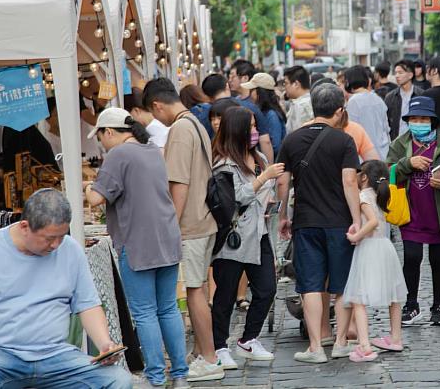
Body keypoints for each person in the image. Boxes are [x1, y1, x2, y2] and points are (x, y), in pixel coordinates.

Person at [0, 189, 131, 389]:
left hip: (57, 356)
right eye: (49, 238)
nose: (56, 245)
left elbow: (88, 305)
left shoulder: (71, 250)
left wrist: (105, 343)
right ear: (25, 226)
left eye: (62, 236)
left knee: (118, 380)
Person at [84, 108, 200, 386]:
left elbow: (97, 199)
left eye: (100, 136)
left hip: (137, 243)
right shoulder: (151, 149)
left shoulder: (118, 155)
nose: (101, 142)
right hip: (167, 238)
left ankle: (156, 377)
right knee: (168, 309)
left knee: (145, 313)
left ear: (109, 132)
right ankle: (181, 375)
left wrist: (88, 186)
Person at [142, 78, 223, 381]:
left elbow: (179, 183)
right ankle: (204, 352)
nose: (156, 120)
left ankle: (211, 359)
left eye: (153, 114)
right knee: (197, 289)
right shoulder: (195, 123)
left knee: (194, 292)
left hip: (190, 223)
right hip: (203, 219)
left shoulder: (179, 129)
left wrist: (170, 225)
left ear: (157, 105)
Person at [275, 84, 361, 364]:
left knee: (310, 284)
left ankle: (315, 347)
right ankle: (339, 343)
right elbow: (350, 182)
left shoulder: (292, 140)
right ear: (339, 110)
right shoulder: (344, 141)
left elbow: (283, 181)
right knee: (341, 285)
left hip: (306, 221)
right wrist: (357, 220)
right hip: (339, 222)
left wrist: (283, 216)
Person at [210, 107, 282, 369]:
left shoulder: (258, 156)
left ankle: (248, 339)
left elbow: (263, 191)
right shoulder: (223, 163)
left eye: (255, 126)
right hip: (234, 237)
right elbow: (234, 198)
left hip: (259, 233)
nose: (254, 132)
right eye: (250, 127)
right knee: (226, 295)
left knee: (267, 289)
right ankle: (218, 346)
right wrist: (264, 178)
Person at [386, 96, 440, 327]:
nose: (418, 122)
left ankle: (438, 306)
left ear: (432, 121)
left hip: (438, 213)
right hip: (410, 212)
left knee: (438, 259)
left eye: (423, 118)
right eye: (414, 118)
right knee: (411, 258)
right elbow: (387, 172)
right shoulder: (400, 144)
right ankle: (411, 305)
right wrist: (407, 164)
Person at [341, 160, 408, 362]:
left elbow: (372, 222)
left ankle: (365, 346)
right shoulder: (381, 194)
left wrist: (355, 236)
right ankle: (395, 338)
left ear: (363, 177)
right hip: (385, 247)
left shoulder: (363, 196)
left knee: (358, 299)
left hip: (369, 248)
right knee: (394, 295)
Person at [203, 72, 273, 160]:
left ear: (206, 95)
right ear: (227, 86)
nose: (216, 122)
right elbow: (265, 140)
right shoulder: (249, 107)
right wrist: (269, 168)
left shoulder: (205, 112)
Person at [344, 66, 391, 159]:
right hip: (383, 151)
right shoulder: (377, 98)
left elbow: (352, 131)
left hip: (365, 153)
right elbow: (386, 128)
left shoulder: (354, 101)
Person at [241, 73, 287, 157]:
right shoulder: (262, 112)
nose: (250, 94)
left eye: (252, 90)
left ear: (260, 92)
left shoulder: (271, 115)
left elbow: (275, 146)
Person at [384, 59, 424, 141]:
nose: (397, 76)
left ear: (410, 75)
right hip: (396, 142)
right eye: (396, 73)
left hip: (417, 141)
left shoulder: (421, 95)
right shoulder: (390, 97)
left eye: (400, 72)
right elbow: (386, 122)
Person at [284, 66, 314, 134]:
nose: (285, 87)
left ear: (296, 84)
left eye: (286, 83)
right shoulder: (314, 100)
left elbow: (297, 133)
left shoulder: (300, 105)